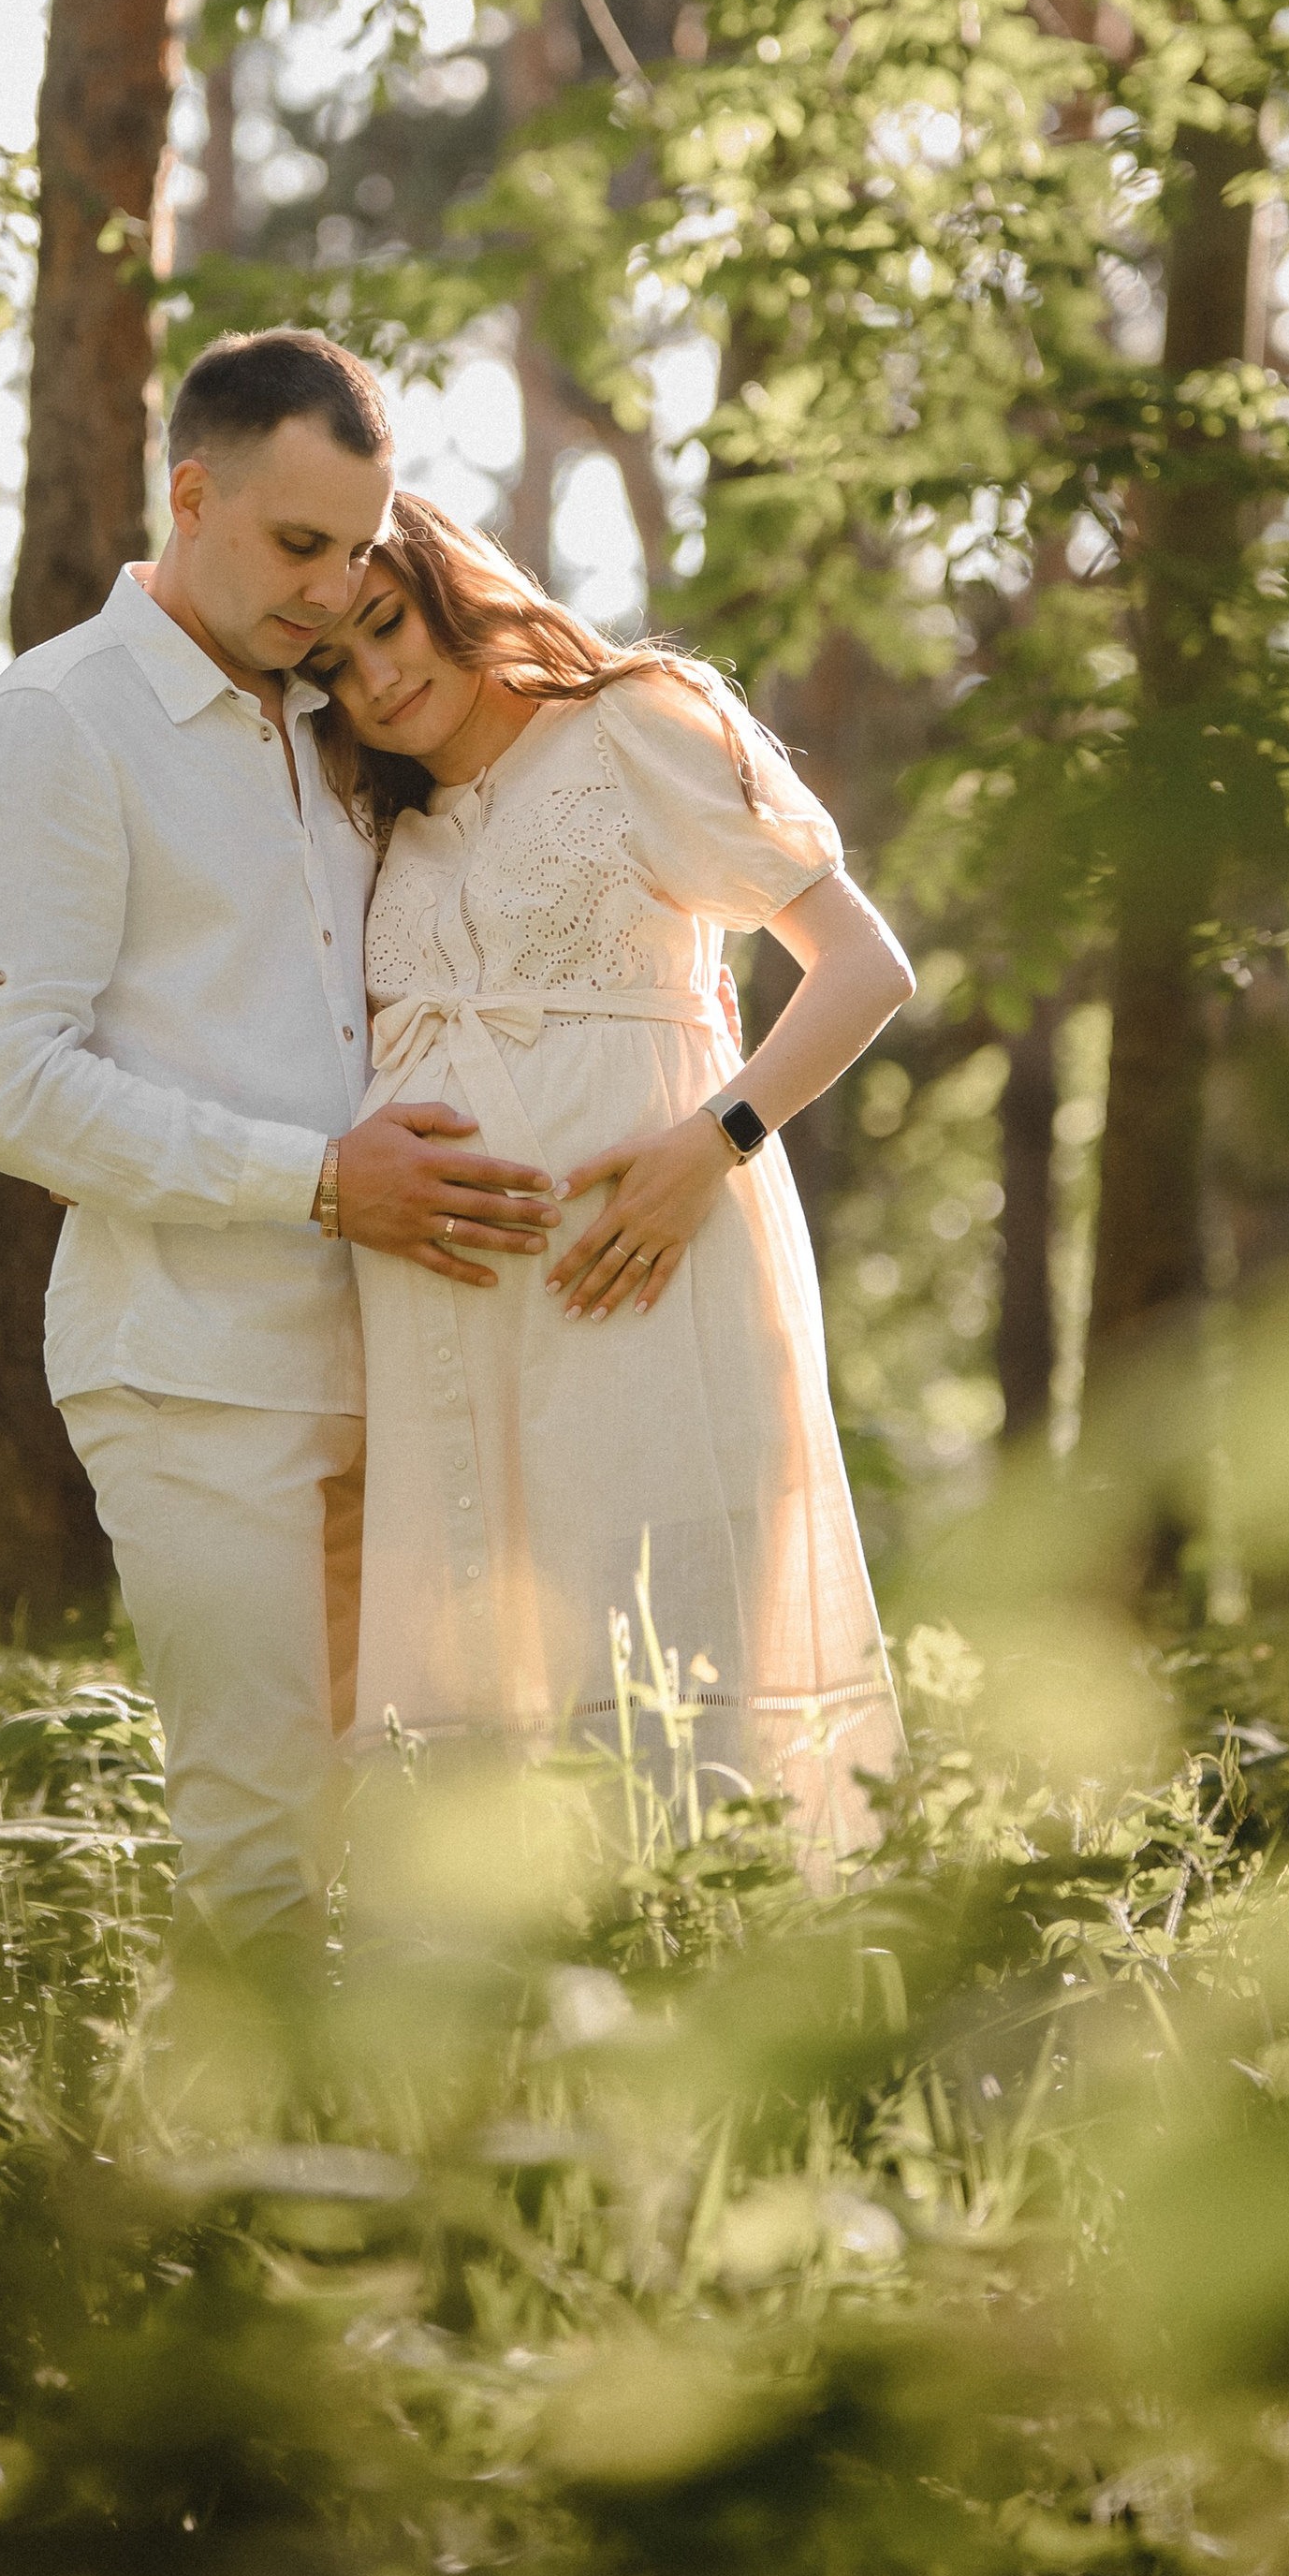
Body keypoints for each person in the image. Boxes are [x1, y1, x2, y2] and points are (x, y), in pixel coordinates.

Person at [0, 335, 560, 1969]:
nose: (339, 588)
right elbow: (8, 1081)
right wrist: (318, 1179)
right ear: (189, 494)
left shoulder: (329, 727)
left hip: (396, 1357)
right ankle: (235, 2222)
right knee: (265, 1852)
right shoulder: (58, 722)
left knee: (429, 1841)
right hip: (197, 1369)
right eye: (302, 545)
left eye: (360, 548)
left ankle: (414, 2199)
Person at [305, 494, 912, 1856]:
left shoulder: (637, 722)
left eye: (387, 625)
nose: (379, 681)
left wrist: (718, 1138)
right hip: (451, 1347)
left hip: (644, 1282)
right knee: (487, 1718)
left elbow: (866, 966)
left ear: (450, 583)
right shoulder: (386, 825)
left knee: (670, 1689)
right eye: (336, 668)